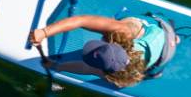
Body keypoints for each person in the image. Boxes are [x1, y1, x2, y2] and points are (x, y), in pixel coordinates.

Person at [30, 11, 174, 88]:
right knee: (125, 26)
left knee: (127, 21)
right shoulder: (123, 31)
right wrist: (44, 32)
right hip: (163, 43)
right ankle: (171, 43)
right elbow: (81, 20)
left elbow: (87, 69)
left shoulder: (113, 76)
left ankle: (170, 43)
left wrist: (57, 66)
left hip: (163, 42)